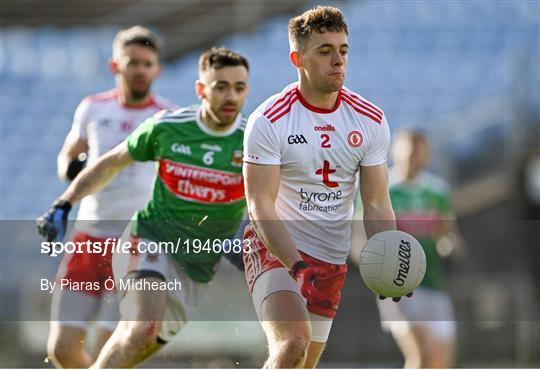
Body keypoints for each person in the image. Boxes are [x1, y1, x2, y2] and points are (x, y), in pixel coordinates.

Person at [37, 47, 250, 368]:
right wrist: (64, 202)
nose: (230, 95)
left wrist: (249, 236)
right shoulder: (167, 127)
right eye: (220, 86)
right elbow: (110, 163)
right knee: (140, 330)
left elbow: (269, 197)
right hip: (149, 240)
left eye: (239, 87)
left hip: (196, 266)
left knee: (133, 350)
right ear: (201, 89)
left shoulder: (254, 139)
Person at [242, 6, 408, 368]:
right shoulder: (269, 120)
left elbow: (377, 203)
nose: (338, 60)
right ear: (297, 58)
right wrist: (298, 266)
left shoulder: (370, 120)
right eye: (325, 51)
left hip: (331, 262)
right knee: (292, 343)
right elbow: (260, 207)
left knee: (302, 363)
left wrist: (391, 258)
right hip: (277, 249)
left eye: (343, 50)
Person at [45, 25, 175, 368]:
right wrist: (73, 169)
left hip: (136, 244)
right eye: (133, 62)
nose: (140, 70)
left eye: (148, 63)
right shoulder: (92, 108)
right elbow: (67, 156)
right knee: (62, 349)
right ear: (115, 66)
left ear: (157, 68)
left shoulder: (168, 118)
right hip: (89, 238)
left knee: (109, 351)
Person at [376, 130, 461, 368]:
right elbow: (367, 237)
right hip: (398, 286)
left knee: (441, 361)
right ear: (397, 151)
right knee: (422, 354)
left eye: (420, 151)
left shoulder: (437, 191)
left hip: (434, 283)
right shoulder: (384, 189)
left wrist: (450, 247)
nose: (415, 156)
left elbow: (450, 233)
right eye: (410, 150)